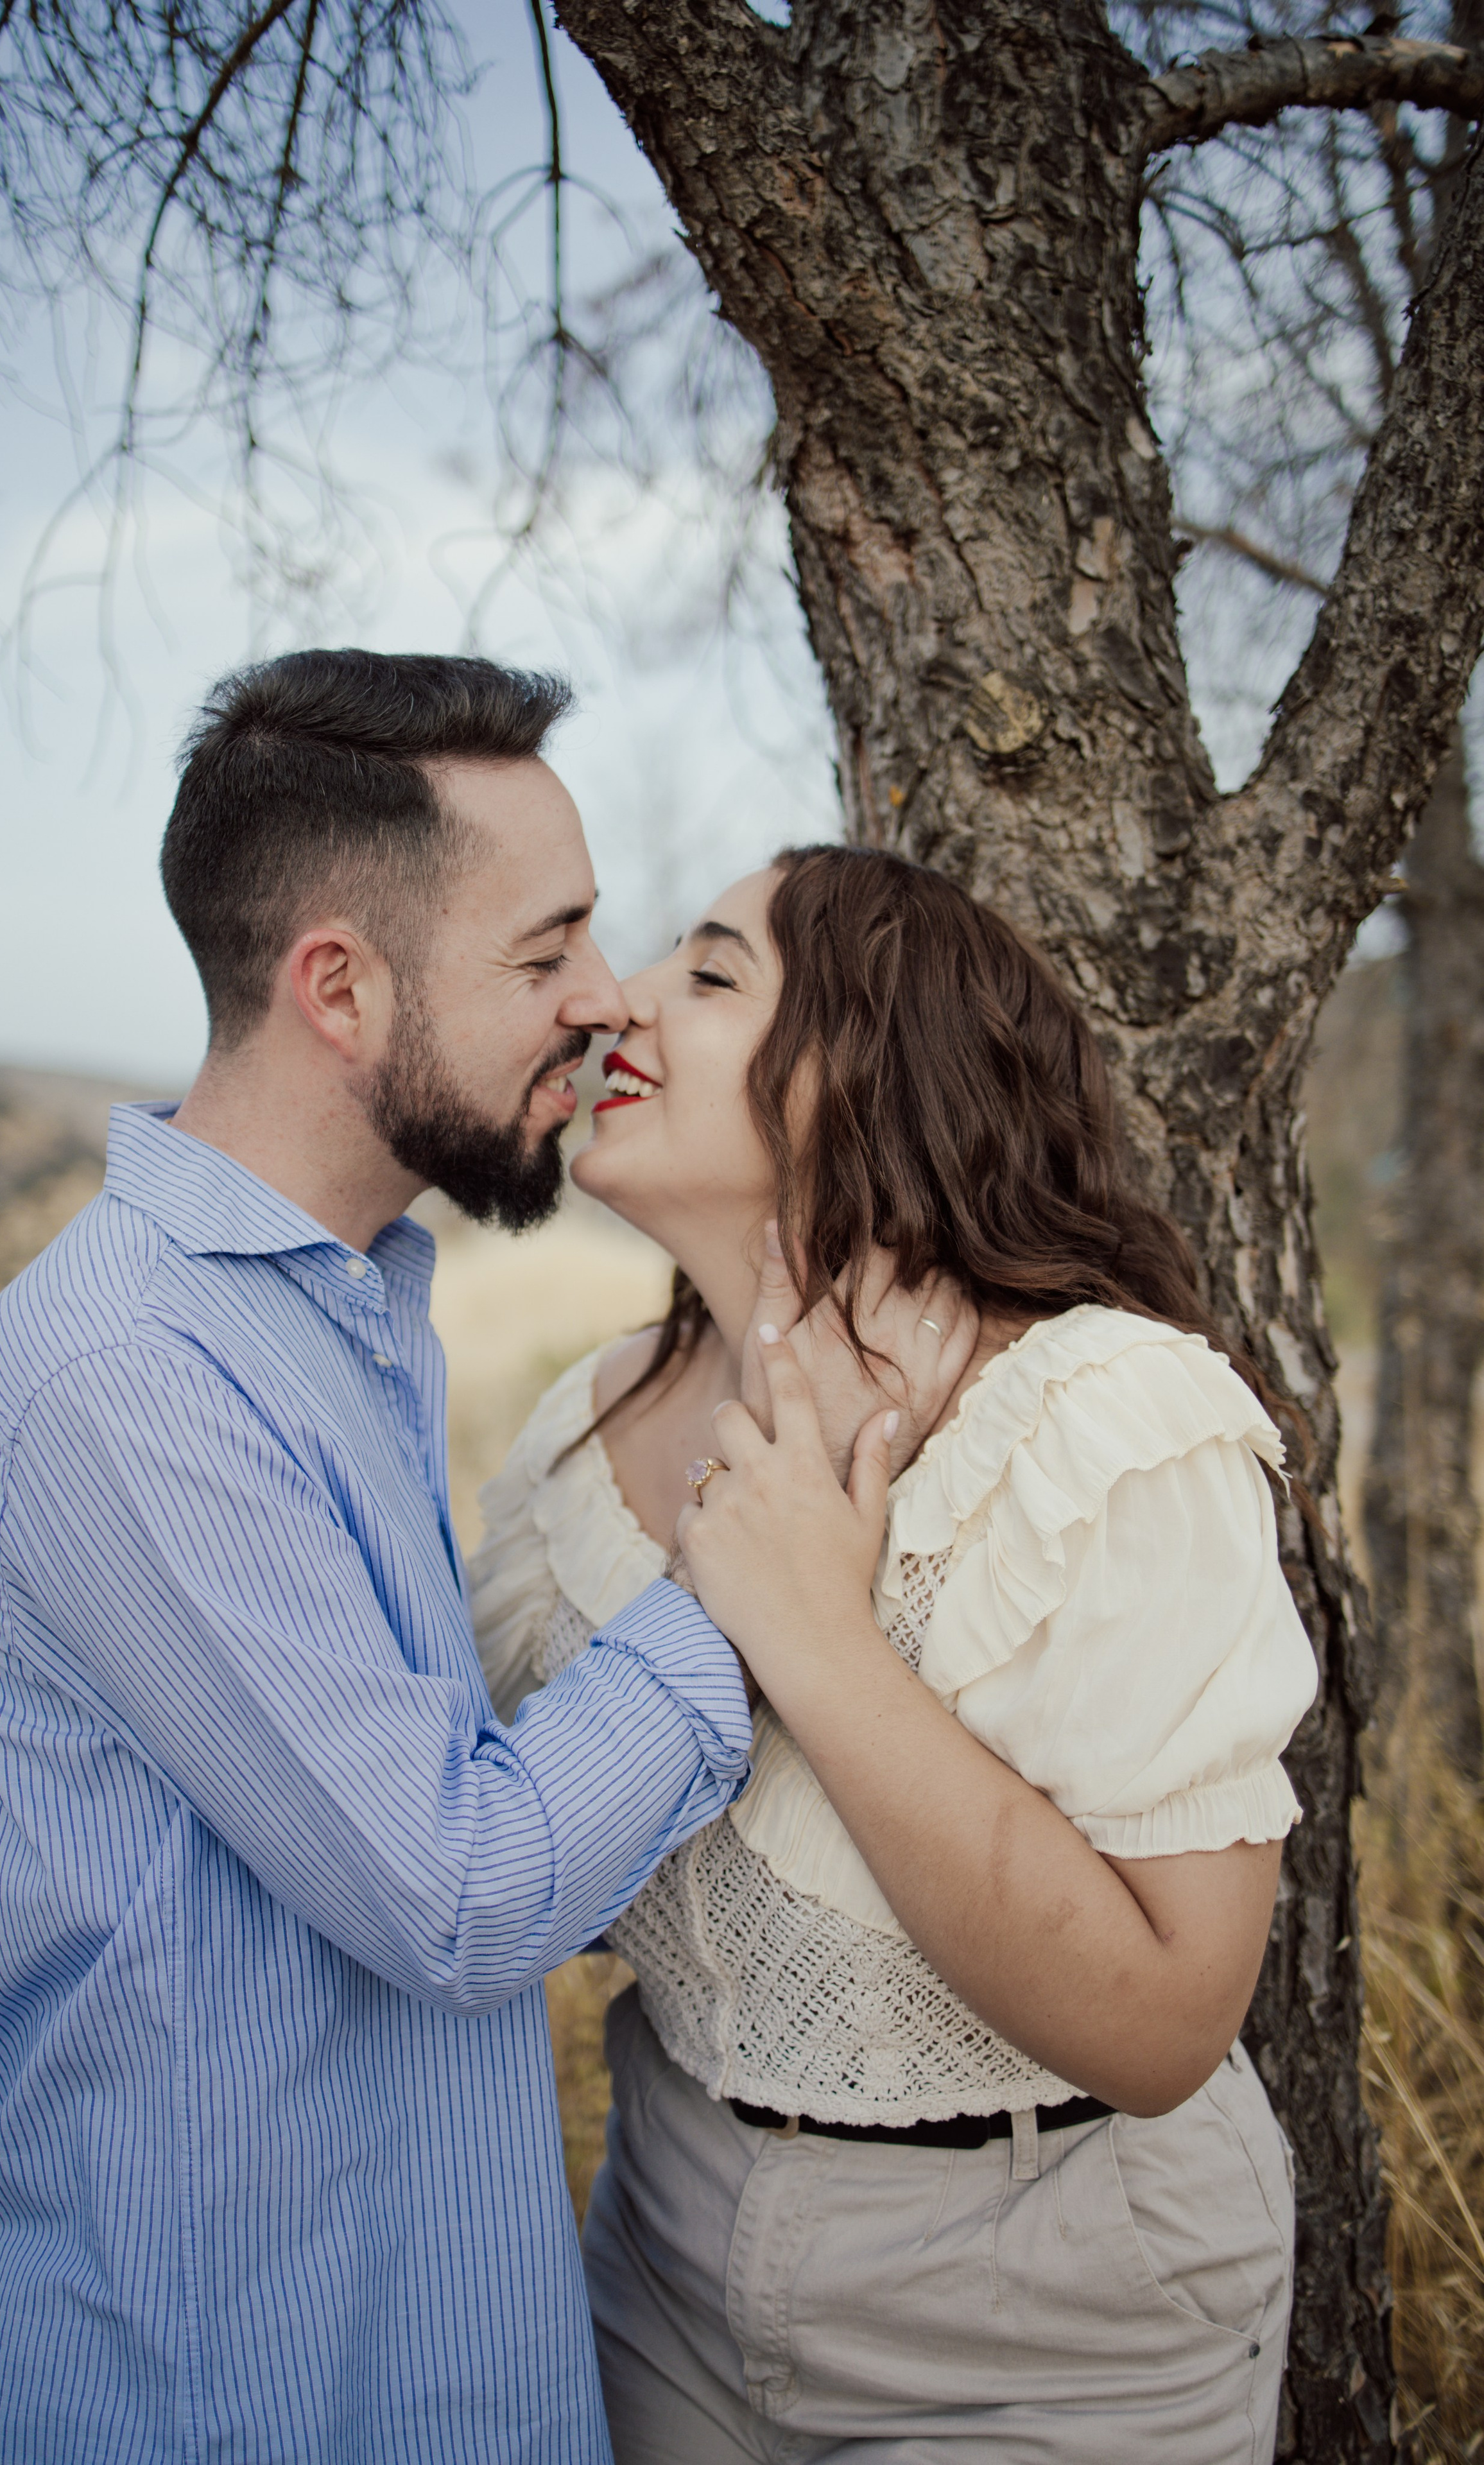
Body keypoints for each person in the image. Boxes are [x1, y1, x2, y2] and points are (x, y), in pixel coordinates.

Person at [0, 652, 940, 2465]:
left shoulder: (352, 1317)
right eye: (545, 954)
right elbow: (461, 1889)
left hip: (409, 2361)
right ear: (339, 989)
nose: (605, 1001)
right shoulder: (127, 1384)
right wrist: (753, 1576)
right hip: (202, 2397)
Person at [470, 844, 1319, 2464]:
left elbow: (1164, 2023)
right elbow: (501, 1863)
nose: (616, 1002)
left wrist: (811, 1632)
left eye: (709, 973)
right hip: (658, 2256)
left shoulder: (1088, 1421)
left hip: (1047, 2312)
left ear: (871, 1067)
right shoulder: (582, 1432)